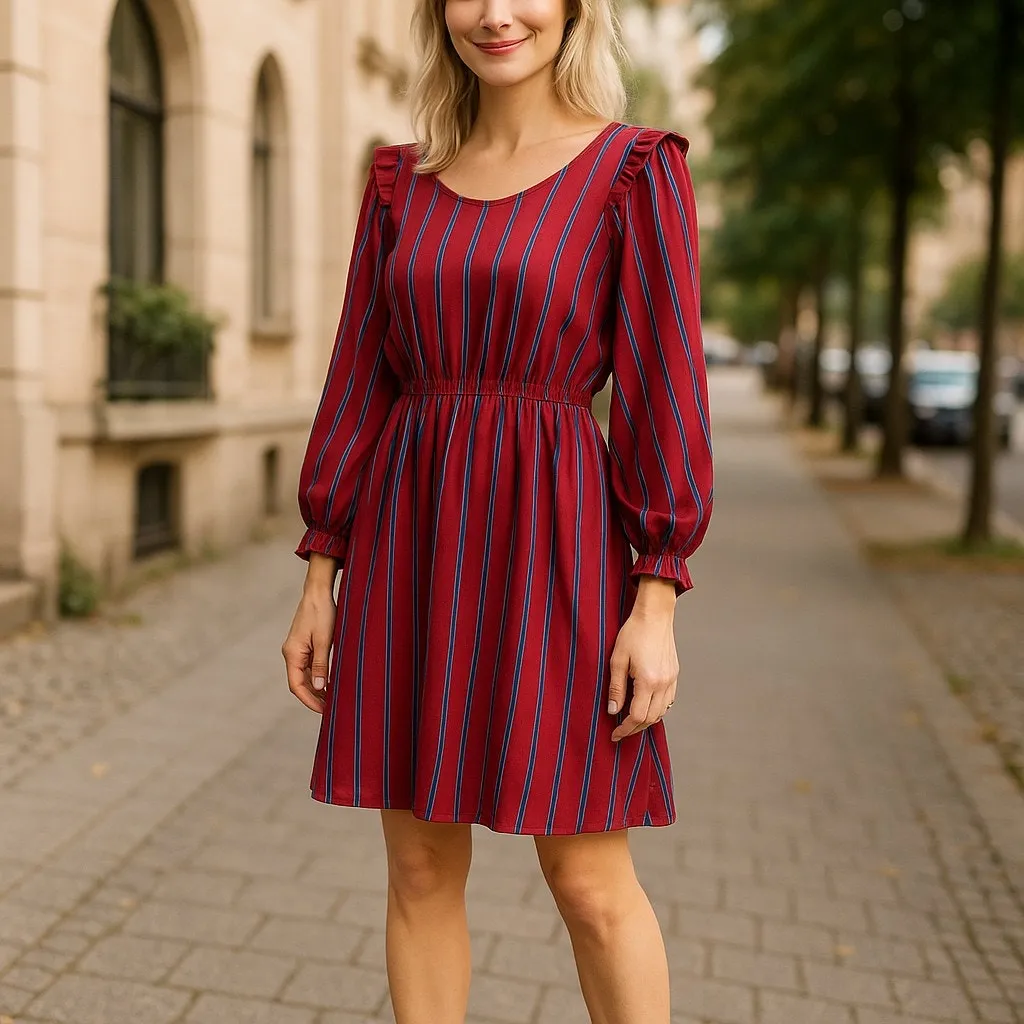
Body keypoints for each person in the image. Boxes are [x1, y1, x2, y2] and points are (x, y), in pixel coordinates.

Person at [281, 0, 714, 1020]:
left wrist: (656, 601)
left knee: (588, 884)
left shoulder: (634, 171)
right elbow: (358, 383)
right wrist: (319, 574)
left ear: (573, 8)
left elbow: (664, 391)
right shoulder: (399, 185)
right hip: (409, 542)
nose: (493, 13)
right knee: (421, 871)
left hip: (559, 547)